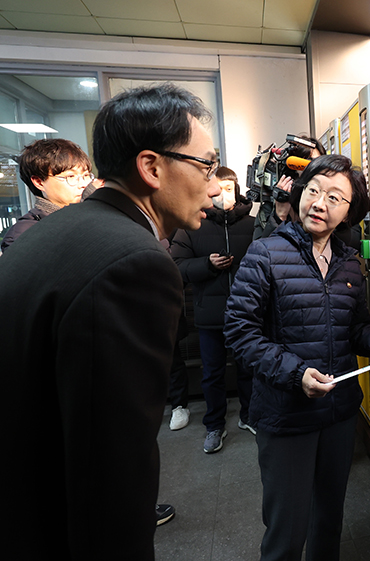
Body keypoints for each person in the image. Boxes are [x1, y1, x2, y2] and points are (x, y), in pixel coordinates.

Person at [0, 84, 221, 559]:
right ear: (151, 167)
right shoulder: (133, 263)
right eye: (205, 165)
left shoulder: (64, 228)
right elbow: (111, 465)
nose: (217, 184)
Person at [224, 154, 370, 561]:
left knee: (328, 522)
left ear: (349, 212)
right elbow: (239, 333)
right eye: (313, 190)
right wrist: (296, 374)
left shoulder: (349, 263)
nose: (320, 203)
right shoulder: (265, 254)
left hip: (339, 416)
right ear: (299, 194)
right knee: (286, 531)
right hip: (287, 417)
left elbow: (356, 333)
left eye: (335, 197)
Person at [171, 166, 256, 453]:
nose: (223, 195)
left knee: (249, 369)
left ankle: (248, 416)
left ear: (237, 191)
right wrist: (206, 265)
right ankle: (214, 425)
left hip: (247, 314)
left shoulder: (254, 224)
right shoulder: (192, 225)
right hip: (210, 316)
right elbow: (177, 266)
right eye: (217, 189)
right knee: (212, 374)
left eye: (229, 189)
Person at [1, 138, 93, 252]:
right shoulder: (23, 235)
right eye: (70, 177)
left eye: (86, 175)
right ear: (39, 182)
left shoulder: (90, 217)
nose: (83, 184)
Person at [252, 134, 323, 241]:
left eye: (319, 163)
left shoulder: (325, 203)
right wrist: (279, 216)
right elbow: (259, 253)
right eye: (306, 162)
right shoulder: (270, 208)